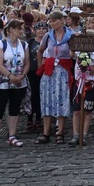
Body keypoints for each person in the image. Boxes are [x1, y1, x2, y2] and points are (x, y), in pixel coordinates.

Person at [0, 20, 30, 151]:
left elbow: (26, 63)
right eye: (19, 29)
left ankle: (12, 135)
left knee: (15, 108)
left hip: (19, 80)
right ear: (11, 29)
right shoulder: (1, 44)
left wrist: (21, 76)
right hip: (4, 81)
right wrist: (10, 77)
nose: (21, 32)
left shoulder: (24, 44)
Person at [36, 10, 73, 144]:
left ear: (62, 21)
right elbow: (40, 51)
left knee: (62, 99)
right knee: (47, 100)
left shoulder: (71, 36)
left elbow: (74, 55)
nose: (52, 24)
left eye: (54, 21)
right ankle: (46, 131)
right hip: (49, 72)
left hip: (63, 72)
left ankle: (60, 131)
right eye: (50, 21)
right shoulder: (48, 36)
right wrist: (41, 65)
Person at [25, 21, 47, 131]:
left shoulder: (48, 42)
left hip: (43, 72)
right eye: (39, 28)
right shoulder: (30, 42)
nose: (41, 30)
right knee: (30, 96)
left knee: (40, 96)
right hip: (31, 72)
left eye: (43, 28)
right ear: (35, 30)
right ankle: (29, 118)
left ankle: (39, 118)